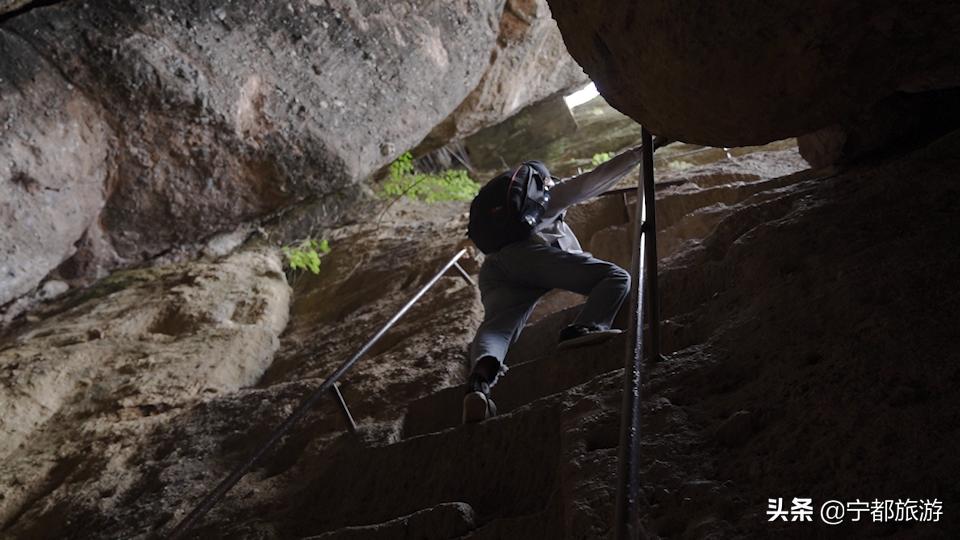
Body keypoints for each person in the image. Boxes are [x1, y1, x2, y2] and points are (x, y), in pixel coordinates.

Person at [463, 146, 643, 423]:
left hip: (493, 267)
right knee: (616, 278)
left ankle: (480, 382)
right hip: (527, 257)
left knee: (498, 326)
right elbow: (592, 182)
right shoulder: (544, 192)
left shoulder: (510, 215)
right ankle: (585, 328)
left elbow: (567, 257)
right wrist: (639, 153)